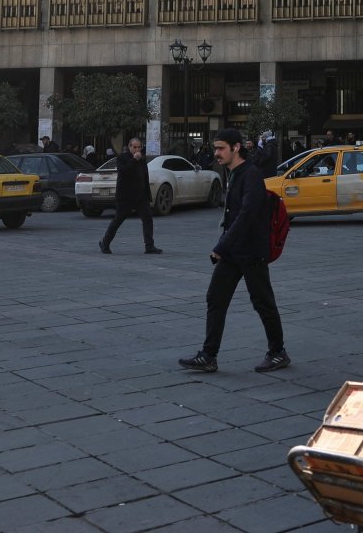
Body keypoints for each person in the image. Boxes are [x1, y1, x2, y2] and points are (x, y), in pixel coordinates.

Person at [179, 128, 288, 374]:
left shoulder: (250, 175)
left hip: (251, 252)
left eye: (221, 148)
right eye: (216, 148)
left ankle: (278, 352)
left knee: (263, 302)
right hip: (233, 252)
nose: (216, 153)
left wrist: (221, 246)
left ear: (236, 148)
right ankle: (208, 356)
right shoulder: (234, 173)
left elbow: (246, 215)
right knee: (215, 298)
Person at [100, 138, 162, 255]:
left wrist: (147, 194)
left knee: (147, 219)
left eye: (139, 147)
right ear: (129, 147)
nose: (137, 149)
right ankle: (105, 243)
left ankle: (149, 246)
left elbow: (144, 177)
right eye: (134, 147)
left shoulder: (142, 159)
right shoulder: (123, 158)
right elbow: (123, 172)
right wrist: (133, 160)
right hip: (126, 197)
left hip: (141, 196)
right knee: (118, 220)